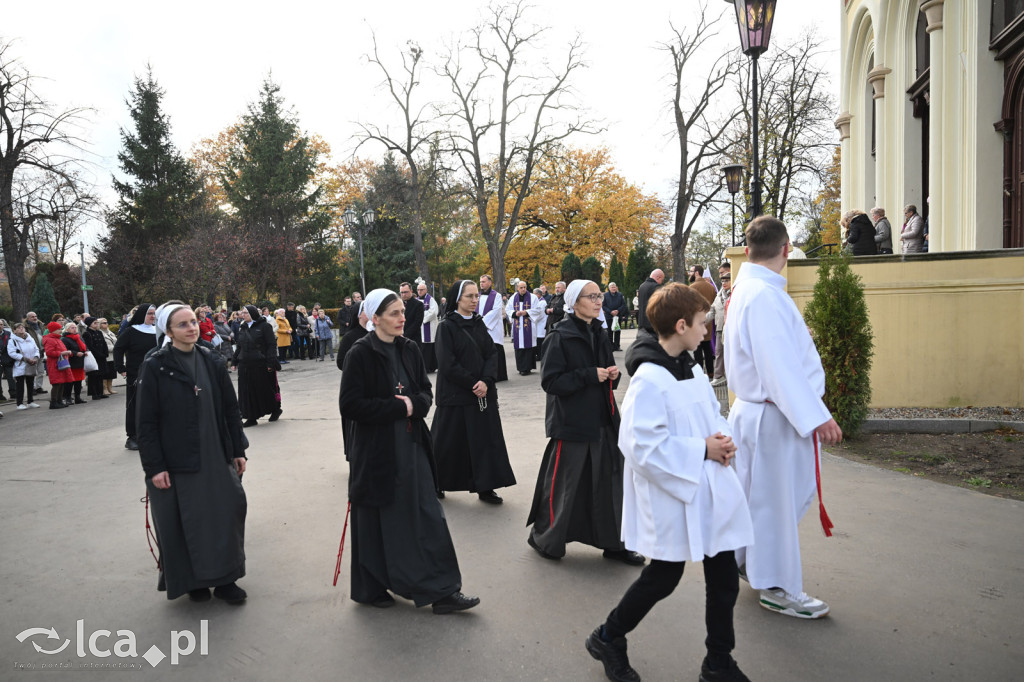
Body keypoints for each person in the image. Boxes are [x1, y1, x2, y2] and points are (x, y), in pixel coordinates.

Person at [585, 283, 754, 682]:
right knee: (664, 576)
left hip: (708, 488)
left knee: (724, 573)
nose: (707, 330)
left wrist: (722, 438)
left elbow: (709, 411)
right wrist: (702, 449)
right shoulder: (649, 379)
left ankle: (718, 662)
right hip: (674, 494)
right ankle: (608, 636)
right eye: (701, 323)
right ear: (681, 326)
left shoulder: (690, 365)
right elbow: (641, 445)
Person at [725, 215, 843, 620]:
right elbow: (779, 369)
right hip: (774, 418)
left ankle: (750, 562)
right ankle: (777, 586)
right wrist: (816, 417)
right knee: (775, 504)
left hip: (758, 413)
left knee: (760, 501)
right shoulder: (763, 296)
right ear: (786, 249)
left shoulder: (745, 289)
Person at [339, 288, 480, 614]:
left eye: (403, 312)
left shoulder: (411, 349)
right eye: (394, 314)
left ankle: (443, 591)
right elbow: (350, 405)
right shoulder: (359, 353)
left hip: (412, 447)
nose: (402, 318)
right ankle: (372, 586)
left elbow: (425, 394)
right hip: (376, 452)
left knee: (427, 516)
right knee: (377, 519)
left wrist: (412, 406)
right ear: (375, 319)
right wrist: (396, 408)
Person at [526, 279, 645, 566]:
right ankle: (546, 538)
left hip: (603, 418)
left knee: (611, 484)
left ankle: (615, 543)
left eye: (599, 295)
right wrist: (590, 375)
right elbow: (551, 382)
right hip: (572, 423)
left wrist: (611, 376)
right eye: (591, 296)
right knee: (565, 486)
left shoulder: (600, 333)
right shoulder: (559, 336)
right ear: (574, 302)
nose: (598, 300)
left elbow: (604, 374)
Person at [137, 303, 248, 604]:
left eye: (193, 322)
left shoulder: (212, 359)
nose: (192, 328)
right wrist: (155, 466)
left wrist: (238, 449)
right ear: (168, 331)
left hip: (216, 454)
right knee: (186, 522)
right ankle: (193, 581)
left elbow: (230, 408)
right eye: (183, 324)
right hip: (179, 460)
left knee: (225, 515)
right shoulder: (156, 364)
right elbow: (145, 421)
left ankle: (226, 580)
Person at [431, 280, 516, 504]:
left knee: (485, 442)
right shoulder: (446, 327)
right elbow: (447, 364)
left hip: (482, 393)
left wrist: (486, 381)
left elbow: (491, 354)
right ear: (457, 299)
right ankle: (437, 481)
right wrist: (473, 383)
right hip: (455, 395)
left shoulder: (479, 324)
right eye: (470, 296)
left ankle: (485, 486)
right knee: (448, 444)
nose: (475, 300)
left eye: (476, 296)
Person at [114, 304, 159, 449]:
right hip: (136, 374)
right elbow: (118, 349)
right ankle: (132, 437)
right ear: (141, 315)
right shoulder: (130, 332)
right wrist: (121, 368)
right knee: (135, 405)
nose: (153, 316)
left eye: (154, 313)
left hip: (156, 373)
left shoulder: (157, 331)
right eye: (149, 313)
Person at [232, 305, 282, 427]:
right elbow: (240, 346)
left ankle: (275, 409)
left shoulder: (264, 326)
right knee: (246, 391)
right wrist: (234, 361)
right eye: (242, 313)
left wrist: (271, 362)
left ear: (252, 314)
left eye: (245, 313)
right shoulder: (242, 327)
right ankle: (251, 416)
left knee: (264, 389)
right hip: (245, 364)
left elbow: (271, 345)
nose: (242, 315)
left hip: (260, 364)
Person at [505, 280, 545, 376]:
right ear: (517, 288)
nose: (523, 289)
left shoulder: (533, 297)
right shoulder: (513, 298)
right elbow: (508, 309)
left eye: (525, 287)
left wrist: (526, 312)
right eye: (521, 287)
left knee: (528, 347)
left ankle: (528, 368)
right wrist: (515, 313)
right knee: (519, 347)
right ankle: (521, 368)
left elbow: (538, 310)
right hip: (518, 326)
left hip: (528, 326)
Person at [476, 274, 508, 382]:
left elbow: (496, 311)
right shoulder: (477, 295)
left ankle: (499, 375)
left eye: (484, 282)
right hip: (479, 328)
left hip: (492, 328)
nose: (481, 284)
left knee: (495, 351)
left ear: (490, 283)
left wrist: (482, 322)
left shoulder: (496, 296)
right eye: (480, 282)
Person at [707, 263, 732, 387]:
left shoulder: (734, 292)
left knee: (731, 353)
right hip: (719, 327)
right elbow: (712, 309)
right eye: (722, 278)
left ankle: (731, 376)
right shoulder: (720, 293)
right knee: (719, 352)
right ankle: (719, 376)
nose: (722, 280)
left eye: (724, 275)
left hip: (731, 328)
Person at [7, 323, 42, 409]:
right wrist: (25, 359)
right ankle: (19, 403)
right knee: (20, 385)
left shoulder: (30, 338)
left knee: (30, 383)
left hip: (31, 364)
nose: (21, 329)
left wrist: (36, 357)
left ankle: (30, 401)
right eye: (18, 328)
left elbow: (36, 348)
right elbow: (12, 353)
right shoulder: (12, 340)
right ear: (14, 331)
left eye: (22, 327)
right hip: (20, 365)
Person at [690, 269, 717, 378]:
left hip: (695, 322)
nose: (689, 273)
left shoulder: (691, 288)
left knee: (697, 350)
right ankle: (711, 372)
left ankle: (699, 373)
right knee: (708, 349)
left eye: (691, 271)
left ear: (697, 273)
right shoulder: (711, 287)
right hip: (708, 321)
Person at [43, 322, 74, 410]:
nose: (61, 331)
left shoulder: (57, 338)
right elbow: (49, 353)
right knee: (57, 383)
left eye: (61, 329)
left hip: (61, 363)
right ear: (53, 330)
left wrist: (67, 353)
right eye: (59, 329)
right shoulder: (50, 339)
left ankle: (59, 401)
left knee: (62, 382)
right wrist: (62, 353)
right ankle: (53, 402)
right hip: (55, 364)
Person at [81, 317, 110, 401]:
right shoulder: (87, 333)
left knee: (101, 375)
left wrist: (105, 353)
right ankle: (94, 393)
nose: (97, 324)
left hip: (102, 357)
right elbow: (90, 346)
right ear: (90, 324)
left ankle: (100, 392)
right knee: (94, 376)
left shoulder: (99, 332)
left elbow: (104, 343)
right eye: (95, 323)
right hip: (94, 357)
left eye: (97, 323)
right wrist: (99, 354)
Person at [61, 322, 89, 405]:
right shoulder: (65, 339)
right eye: (72, 328)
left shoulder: (78, 337)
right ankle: (68, 398)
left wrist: (85, 351)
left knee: (79, 381)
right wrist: (75, 353)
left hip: (80, 361)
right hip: (71, 362)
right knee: (70, 382)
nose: (74, 329)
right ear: (67, 329)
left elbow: (84, 346)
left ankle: (78, 397)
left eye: (75, 327)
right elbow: (65, 350)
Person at [23, 311, 49, 397]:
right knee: (33, 371)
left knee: (41, 371)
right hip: (32, 352)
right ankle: (32, 388)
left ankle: (39, 387)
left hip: (41, 351)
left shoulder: (40, 325)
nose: (35, 318)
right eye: (32, 317)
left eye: (35, 316)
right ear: (28, 318)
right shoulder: (26, 327)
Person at [417, 282, 440, 373]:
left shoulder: (430, 300)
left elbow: (434, 312)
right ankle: (424, 367)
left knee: (429, 349)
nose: (419, 291)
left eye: (421, 290)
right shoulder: (417, 300)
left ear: (426, 290)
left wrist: (422, 316)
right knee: (422, 348)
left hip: (429, 328)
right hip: (420, 328)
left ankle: (430, 367)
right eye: (418, 290)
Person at [602, 282, 629, 352]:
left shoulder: (620, 295)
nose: (613, 288)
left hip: (618, 316)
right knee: (609, 332)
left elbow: (623, 305)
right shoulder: (606, 295)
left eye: (614, 287)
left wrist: (617, 311)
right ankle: (610, 347)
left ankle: (617, 346)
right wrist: (610, 311)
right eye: (612, 287)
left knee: (617, 331)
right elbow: (603, 305)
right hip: (609, 316)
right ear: (609, 288)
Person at [400, 282, 424, 347]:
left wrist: (404, 335)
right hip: (399, 338)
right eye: (402, 292)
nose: (403, 294)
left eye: (405, 292)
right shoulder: (398, 304)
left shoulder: (418, 304)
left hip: (413, 340)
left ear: (411, 291)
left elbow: (417, 323)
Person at [98, 319, 118, 395]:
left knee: (112, 373)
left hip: (113, 355)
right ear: (100, 324)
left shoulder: (110, 333)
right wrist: (114, 348)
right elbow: (104, 346)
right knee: (105, 373)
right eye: (104, 323)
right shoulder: (100, 333)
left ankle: (110, 388)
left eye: (107, 322)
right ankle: (105, 388)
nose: (106, 324)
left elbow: (116, 341)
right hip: (107, 356)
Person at [532, 287, 550, 362]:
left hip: (541, 325)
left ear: (538, 294)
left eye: (534, 294)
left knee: (540, 341)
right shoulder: (537, 301)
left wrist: (531, 317)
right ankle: (538, 355)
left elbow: (540, 315)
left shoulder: (542, 302)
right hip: (537, 324)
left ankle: (540, 356)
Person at [0, 319, 16, 401]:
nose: (0, 326)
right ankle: (0, 396)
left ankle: (13, 394)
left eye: (1, 324)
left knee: (11, 378)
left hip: (7, 360)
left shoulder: (8, 334)